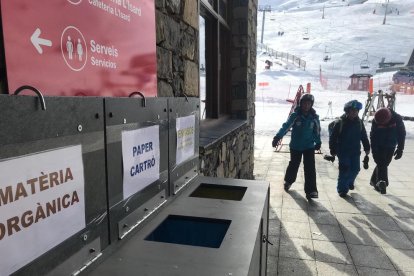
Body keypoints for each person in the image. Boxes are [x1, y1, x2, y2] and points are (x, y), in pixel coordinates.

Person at [272, 94, 321, 199]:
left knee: (310, 168)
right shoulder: (296, 116)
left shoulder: (314, 118)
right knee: (294, 164)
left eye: (309, 104)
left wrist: (318, 142)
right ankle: (288, 181)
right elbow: (286, 127)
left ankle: (311, 190)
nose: (306, 105)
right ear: (301, 103)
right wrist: (277, 137)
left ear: (311, 105)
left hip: (309, 146)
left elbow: (317, 131)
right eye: (304, 103)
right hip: (296, 146)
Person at [329, 100, 370, 197]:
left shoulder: (359, 123)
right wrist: (333, 149)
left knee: (355, 169)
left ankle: (349, 182)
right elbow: (333, 137)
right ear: (347, 111)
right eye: (352, 110)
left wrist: (367, 146)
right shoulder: (340, 122)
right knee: (345, 169)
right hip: (343, 151)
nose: (354, 113)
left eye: (356, 111)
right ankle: (342, 189)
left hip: (355, 151)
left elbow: (363, 135)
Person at [370, 107, 406, 194]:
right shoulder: (376, 120)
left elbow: (401, 134)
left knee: (385, 163)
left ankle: (374, 181)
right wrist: (374, 151)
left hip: (391, 144)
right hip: (380, 145)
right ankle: (382, 182)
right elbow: (373, 136)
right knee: (381, 162)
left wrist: (400, 149)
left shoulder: (397, 119)